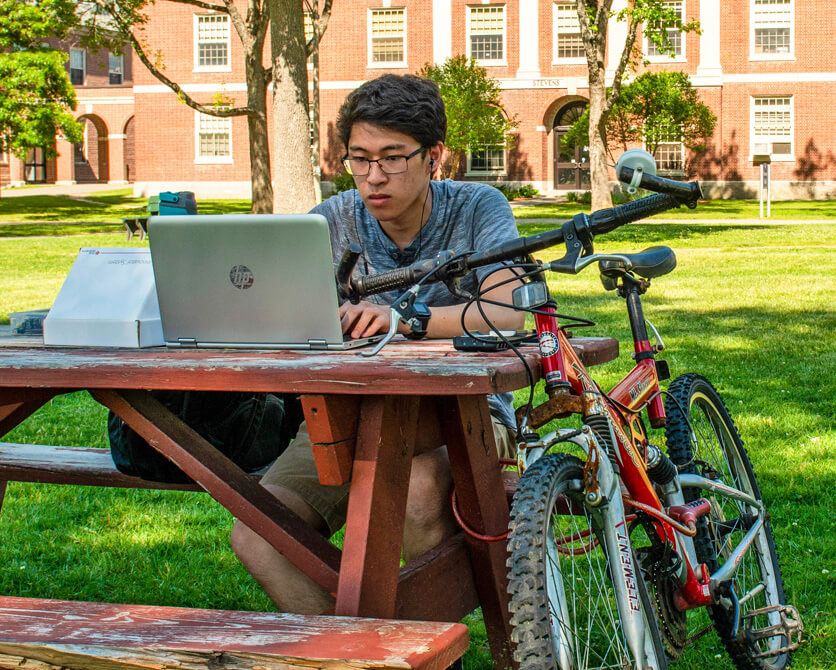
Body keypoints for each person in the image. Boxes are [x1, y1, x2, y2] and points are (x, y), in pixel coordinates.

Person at [230, 73, 525, 614]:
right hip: (351, 419)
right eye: (359, 159)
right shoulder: (330, 222)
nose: (373, 177)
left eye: (392, 158)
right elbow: (283, 325)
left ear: (435, 155)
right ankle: (360, 653)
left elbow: (509, 314)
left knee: (415, 492)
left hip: (469, 415)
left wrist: (401, 318)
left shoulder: (478, 207)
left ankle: (427, 650)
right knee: (259, 534)